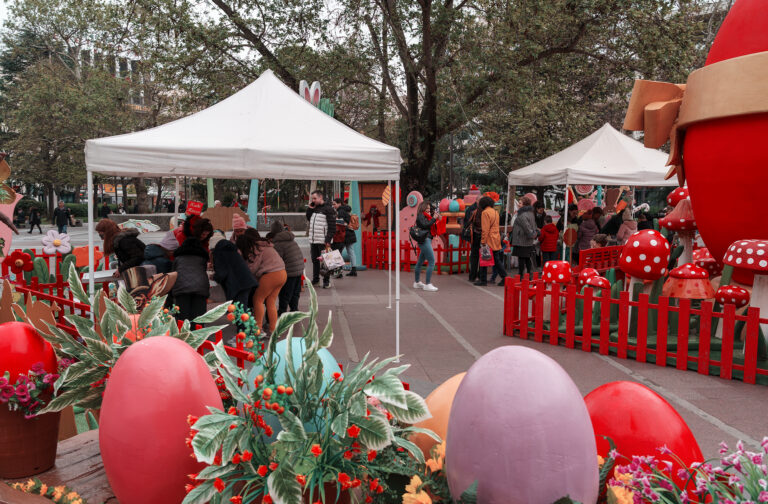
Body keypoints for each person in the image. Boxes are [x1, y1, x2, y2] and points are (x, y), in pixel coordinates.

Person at [237, 229, 286, 334]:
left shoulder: (257, 248)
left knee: (257, 300)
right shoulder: (266, 245)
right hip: (282, 273)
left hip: (270, 275)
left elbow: (253, 268)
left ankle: (257, 329)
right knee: (270, 301)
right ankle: (273, 330)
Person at [172, 232, 210, 323]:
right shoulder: (202, 257)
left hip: (181, 287)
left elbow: (173, 272)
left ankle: (183, 335)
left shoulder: (178, 257)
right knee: (199, 316)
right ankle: (198, 334)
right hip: (200, 286)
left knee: (182, 316)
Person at [269, 221, 305, 315]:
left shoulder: (278, 243)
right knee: (295, 292)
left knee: (285, 293)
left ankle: (282, 311)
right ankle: (294, 309)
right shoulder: (290, 239)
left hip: (289, 271)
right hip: (298, 269)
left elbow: (277, 260)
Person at [213, 238, 258, 310]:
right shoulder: (233, 251)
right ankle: (244, 321)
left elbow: (222, 273)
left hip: (237, 285)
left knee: (239, 309)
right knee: (242, 307)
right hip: (247, 282)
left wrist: (214, 277)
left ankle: (242, 321)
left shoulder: (219, 253)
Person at [305, 190, 336, 288]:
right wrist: (310, 209)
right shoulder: (315, 208)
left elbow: (332, 227)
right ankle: (316, 280)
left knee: (326, 261)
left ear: (320, 197)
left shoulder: (328, 209)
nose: (313, 200)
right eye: (312, 198)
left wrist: (327, 240)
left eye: (315, 198)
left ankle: (326, 281)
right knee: (315, 260)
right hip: (314, 239)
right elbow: (309, 218)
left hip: (323, 240)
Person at [475, 196, 507, 286]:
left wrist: (483, 241)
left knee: (484, 258)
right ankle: (504, 277)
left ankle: (484, 280)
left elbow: (485, 229)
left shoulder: (485, 213)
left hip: (488, 239)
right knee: (496, 260)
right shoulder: (495, 212)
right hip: (496, 238)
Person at [413, 201, 439, 292]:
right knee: (432, 261)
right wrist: (433, 219)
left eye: (429, 208)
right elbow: (425, 225)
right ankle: (427, 284)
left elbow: (429, 225)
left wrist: (433, 218)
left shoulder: (425, 216)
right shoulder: (420, 216)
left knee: (420, 262)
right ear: (423, 208)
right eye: (427, 208)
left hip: (426, 240)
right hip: (425, 240)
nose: (429, 209)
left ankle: (417, 282)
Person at [510, 196, 537, 276]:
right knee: (527, 258)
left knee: (522, 259)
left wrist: (532, 234)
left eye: (520, 203)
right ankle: (529, 274)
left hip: (521, 240)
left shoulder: (522, 215)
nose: (518, 204)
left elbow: (527, 228)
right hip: (528, 240)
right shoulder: (531, 213)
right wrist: (534, 234)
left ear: (525, 205)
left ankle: (521, 275)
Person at [332, 198, 358, 277]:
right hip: (350, 233)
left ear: (339, 203)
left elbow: (341, 224)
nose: (333, 206)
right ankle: (354, 269)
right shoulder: (346, 210)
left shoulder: (340, 211)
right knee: (351, 251)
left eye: (335, 204)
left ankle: (339, 272)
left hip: (344, 234)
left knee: (338, 252)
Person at [463, 200, 482, 282]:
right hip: (479, 235)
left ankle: (472, 275)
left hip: (474, 235)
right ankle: (480, 275)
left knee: (474, 256)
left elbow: (467, 222)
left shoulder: (471, 210)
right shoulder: (480, 211)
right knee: (481, 256)